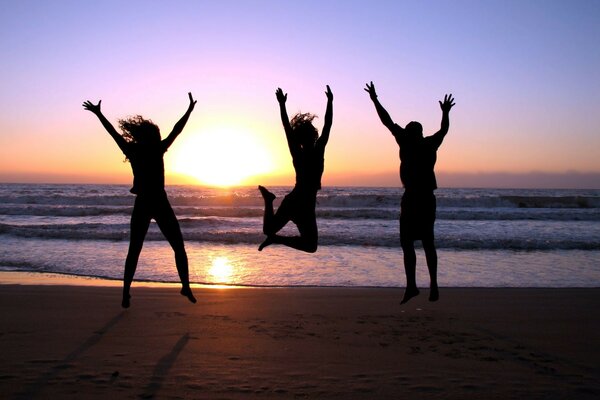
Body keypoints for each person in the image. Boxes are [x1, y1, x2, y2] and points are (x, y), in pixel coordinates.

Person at [83, 93, 197, 308]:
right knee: (177, 247)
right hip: (158, 202)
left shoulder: (133, 150)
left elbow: (114, 134)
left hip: (144, 202)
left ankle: (126, 293)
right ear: (152, 135)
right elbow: (177, 130)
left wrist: (99, 114)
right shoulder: (157, 148)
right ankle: (185, 286)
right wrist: (189, 110)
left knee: (135, 249)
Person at [365, 82, 455, 304]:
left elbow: (386, 121)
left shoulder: (406, 142)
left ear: (409, 132)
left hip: (415, 197)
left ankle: (414, 285)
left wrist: (375, 100)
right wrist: (444, 113)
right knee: (426, 242)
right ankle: (428, 285)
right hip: (425, 198)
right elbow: (443, 130)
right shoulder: (429, 144)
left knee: (410, 243)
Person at [258, 86, 333, 253]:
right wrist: (330, 102)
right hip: (303, 203)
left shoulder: (298, 151)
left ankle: (270, 204)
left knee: (270, 231)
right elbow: (327, 126)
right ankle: (269, 204)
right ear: (313, 135)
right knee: (310, 245)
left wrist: (282, 105)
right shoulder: (316, 150)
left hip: (297, 201)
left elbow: (287, 128)